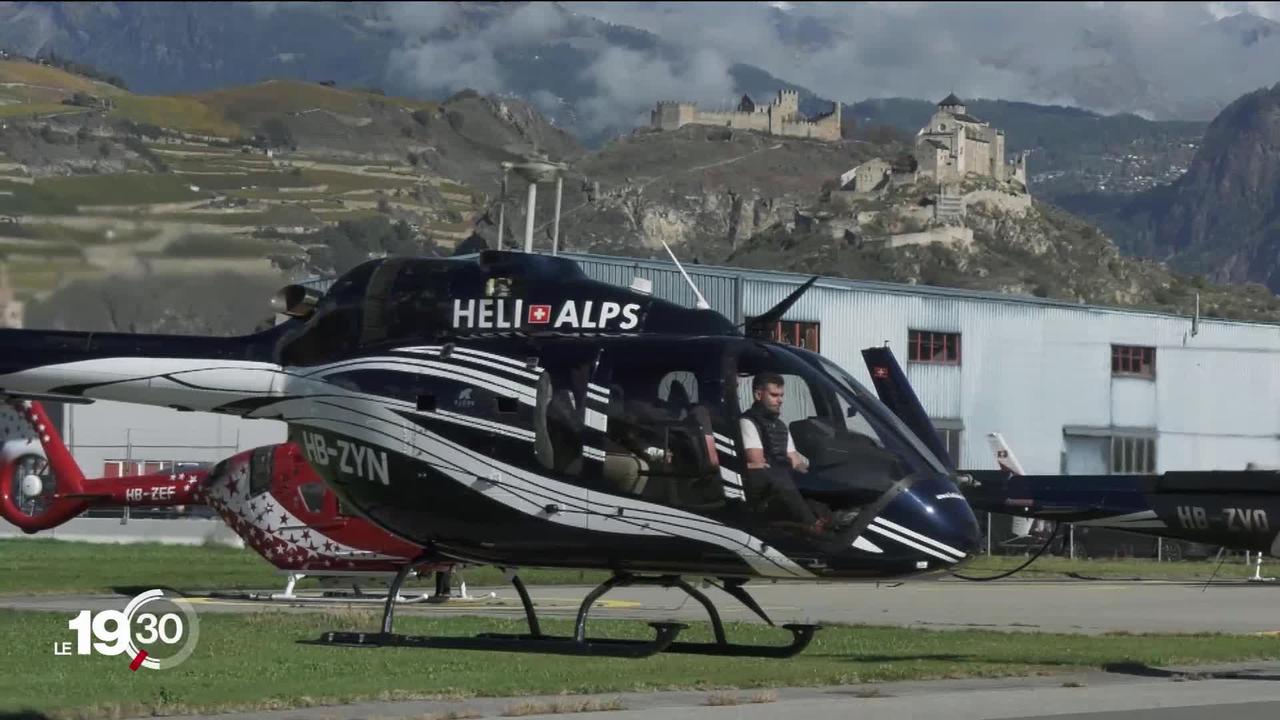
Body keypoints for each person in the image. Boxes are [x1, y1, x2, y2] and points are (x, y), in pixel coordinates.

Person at [738, 372, 827, 533]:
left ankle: (826, 521)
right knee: (778, 475)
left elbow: (795, 461)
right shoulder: (747, 422)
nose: (780, 400)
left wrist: (813, 476)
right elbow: (758, 463)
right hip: (764, 484)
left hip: (781, 481)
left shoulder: (780, 426)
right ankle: (811, 525)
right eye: (774, 395)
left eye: (781, 395)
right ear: (758, 395)